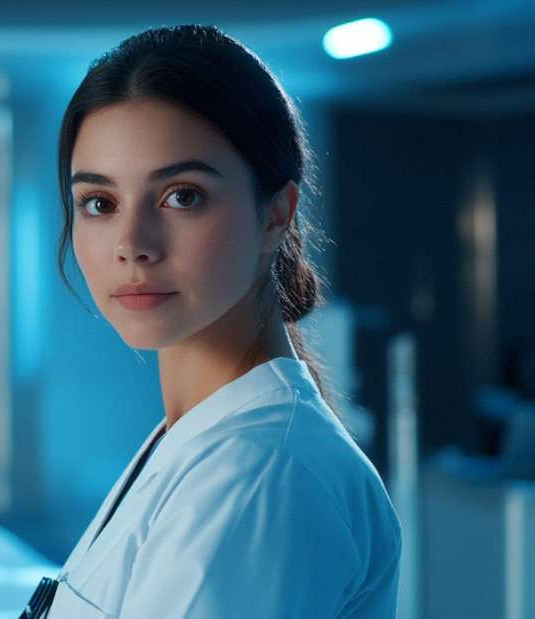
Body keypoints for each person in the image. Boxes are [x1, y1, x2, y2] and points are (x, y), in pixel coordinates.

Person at [25, 25, 401, 619]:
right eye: (100, 203)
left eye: (182, 196)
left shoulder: (260, 474)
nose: (132, 245)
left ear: (276, 214)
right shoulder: (198, 440)